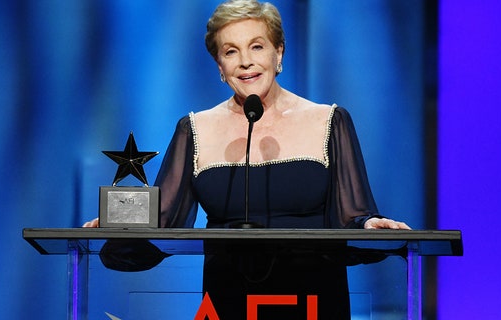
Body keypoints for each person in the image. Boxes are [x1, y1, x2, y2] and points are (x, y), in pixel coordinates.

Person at [85, 0, 410, 318]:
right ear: (219, 67)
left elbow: (352, 213)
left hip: (313, 300)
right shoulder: (194, 129)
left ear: (278, 53)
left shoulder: (330, 121)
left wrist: (369, 224)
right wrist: (122, 225)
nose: (245, 62)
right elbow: (165, 218)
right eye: (230, 51)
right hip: (229, 299)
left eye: (257, 46)